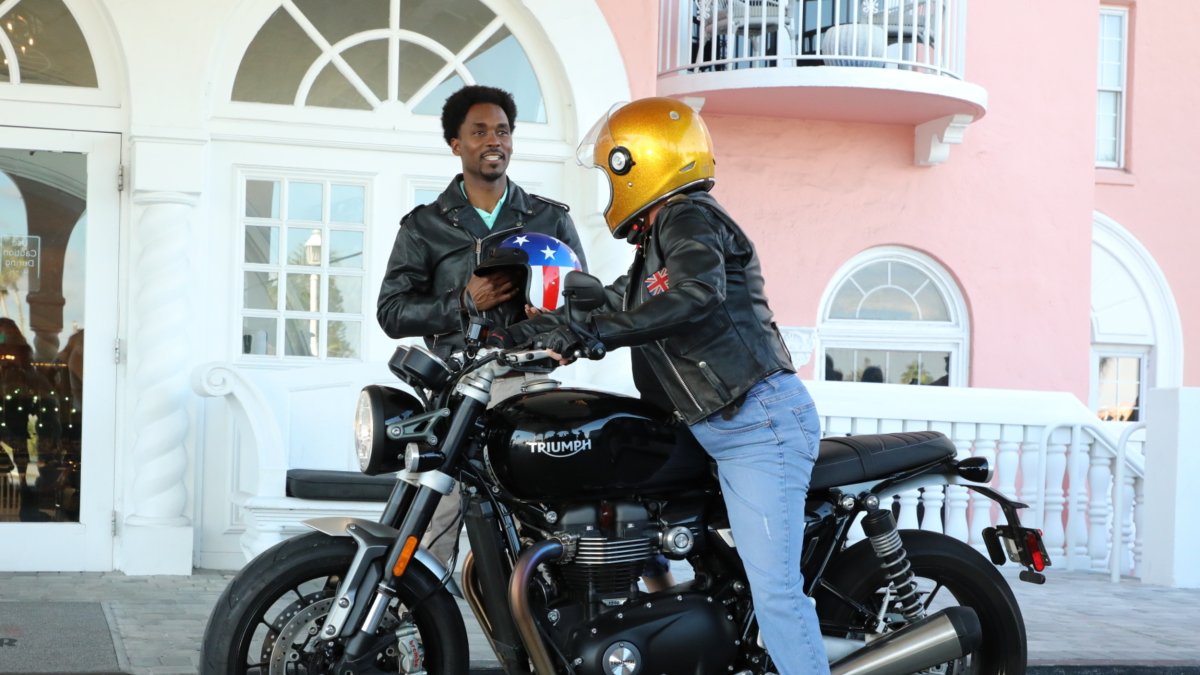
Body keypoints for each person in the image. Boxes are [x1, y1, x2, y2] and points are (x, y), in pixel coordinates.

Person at [497, 97, 830, 674]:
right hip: (709, 425)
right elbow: (615, 303)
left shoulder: (689, 216)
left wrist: (598, 332)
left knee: (776, 593)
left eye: (611, 171)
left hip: (755, 424)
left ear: (639, 162)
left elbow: (697, 297)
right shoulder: (655, 243)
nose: (608, 185)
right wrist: (524, 328)